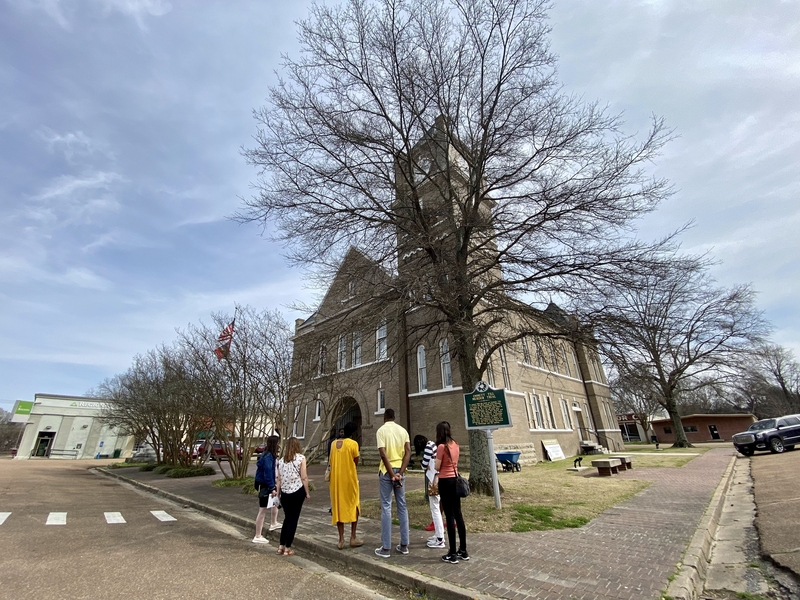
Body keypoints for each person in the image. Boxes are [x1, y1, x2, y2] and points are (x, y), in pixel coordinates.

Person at [374, 408, 411, 558]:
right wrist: (400, 473)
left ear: (384, 417)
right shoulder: (403, 431)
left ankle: (386, 547)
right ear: (394, 417)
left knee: (386, 506)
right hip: (400, 470)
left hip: (386, 471)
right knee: (402, 505)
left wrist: (391, 474)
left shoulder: (381, 431)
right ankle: (404, 544)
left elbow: (383, 453)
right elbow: (408, 451)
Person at [433, 421, 468, 564]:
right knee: (458, 515)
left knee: (449, 516)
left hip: (445, 481)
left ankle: (452, 552)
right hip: (455, 479)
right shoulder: (455, 444)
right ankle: (463, 550)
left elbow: (437, 466)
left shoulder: (442, 447)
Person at [328, 421, 363, 549]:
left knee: (338, 506)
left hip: (336, 480)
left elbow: (330, 460)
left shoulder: (333, 444)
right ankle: (353, 537)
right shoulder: (353, 444)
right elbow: (356, 461)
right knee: (354, 504)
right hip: (349, 479)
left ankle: (341, 539)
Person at [275, 436, 311, 556]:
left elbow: (279, 480)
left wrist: (278, 493)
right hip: (297, 491)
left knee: (287, 519)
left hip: (285, 493)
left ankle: (281, 545)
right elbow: (304, 477)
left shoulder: (281, 461)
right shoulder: (301, 458)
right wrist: (307, 492)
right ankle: (288, 547)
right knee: (293, 520)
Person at [252, 435, 281, 544]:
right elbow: (268, 473)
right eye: (278, 443)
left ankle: (272, 524)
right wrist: (272, 487)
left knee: (269, 506)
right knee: (262, 510)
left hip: (263, 485)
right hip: (266, 486)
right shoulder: (269, 457)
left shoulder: (266, 455)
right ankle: (257, 535)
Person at [420, 434, 445, 549]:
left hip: (433, 480)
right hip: (438, 478)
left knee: (435, 509)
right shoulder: (434, 445)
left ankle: (440, 538)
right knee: (436, 508)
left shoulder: (428, 447)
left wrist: (423, 466)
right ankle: (438, 535)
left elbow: (424, 464)